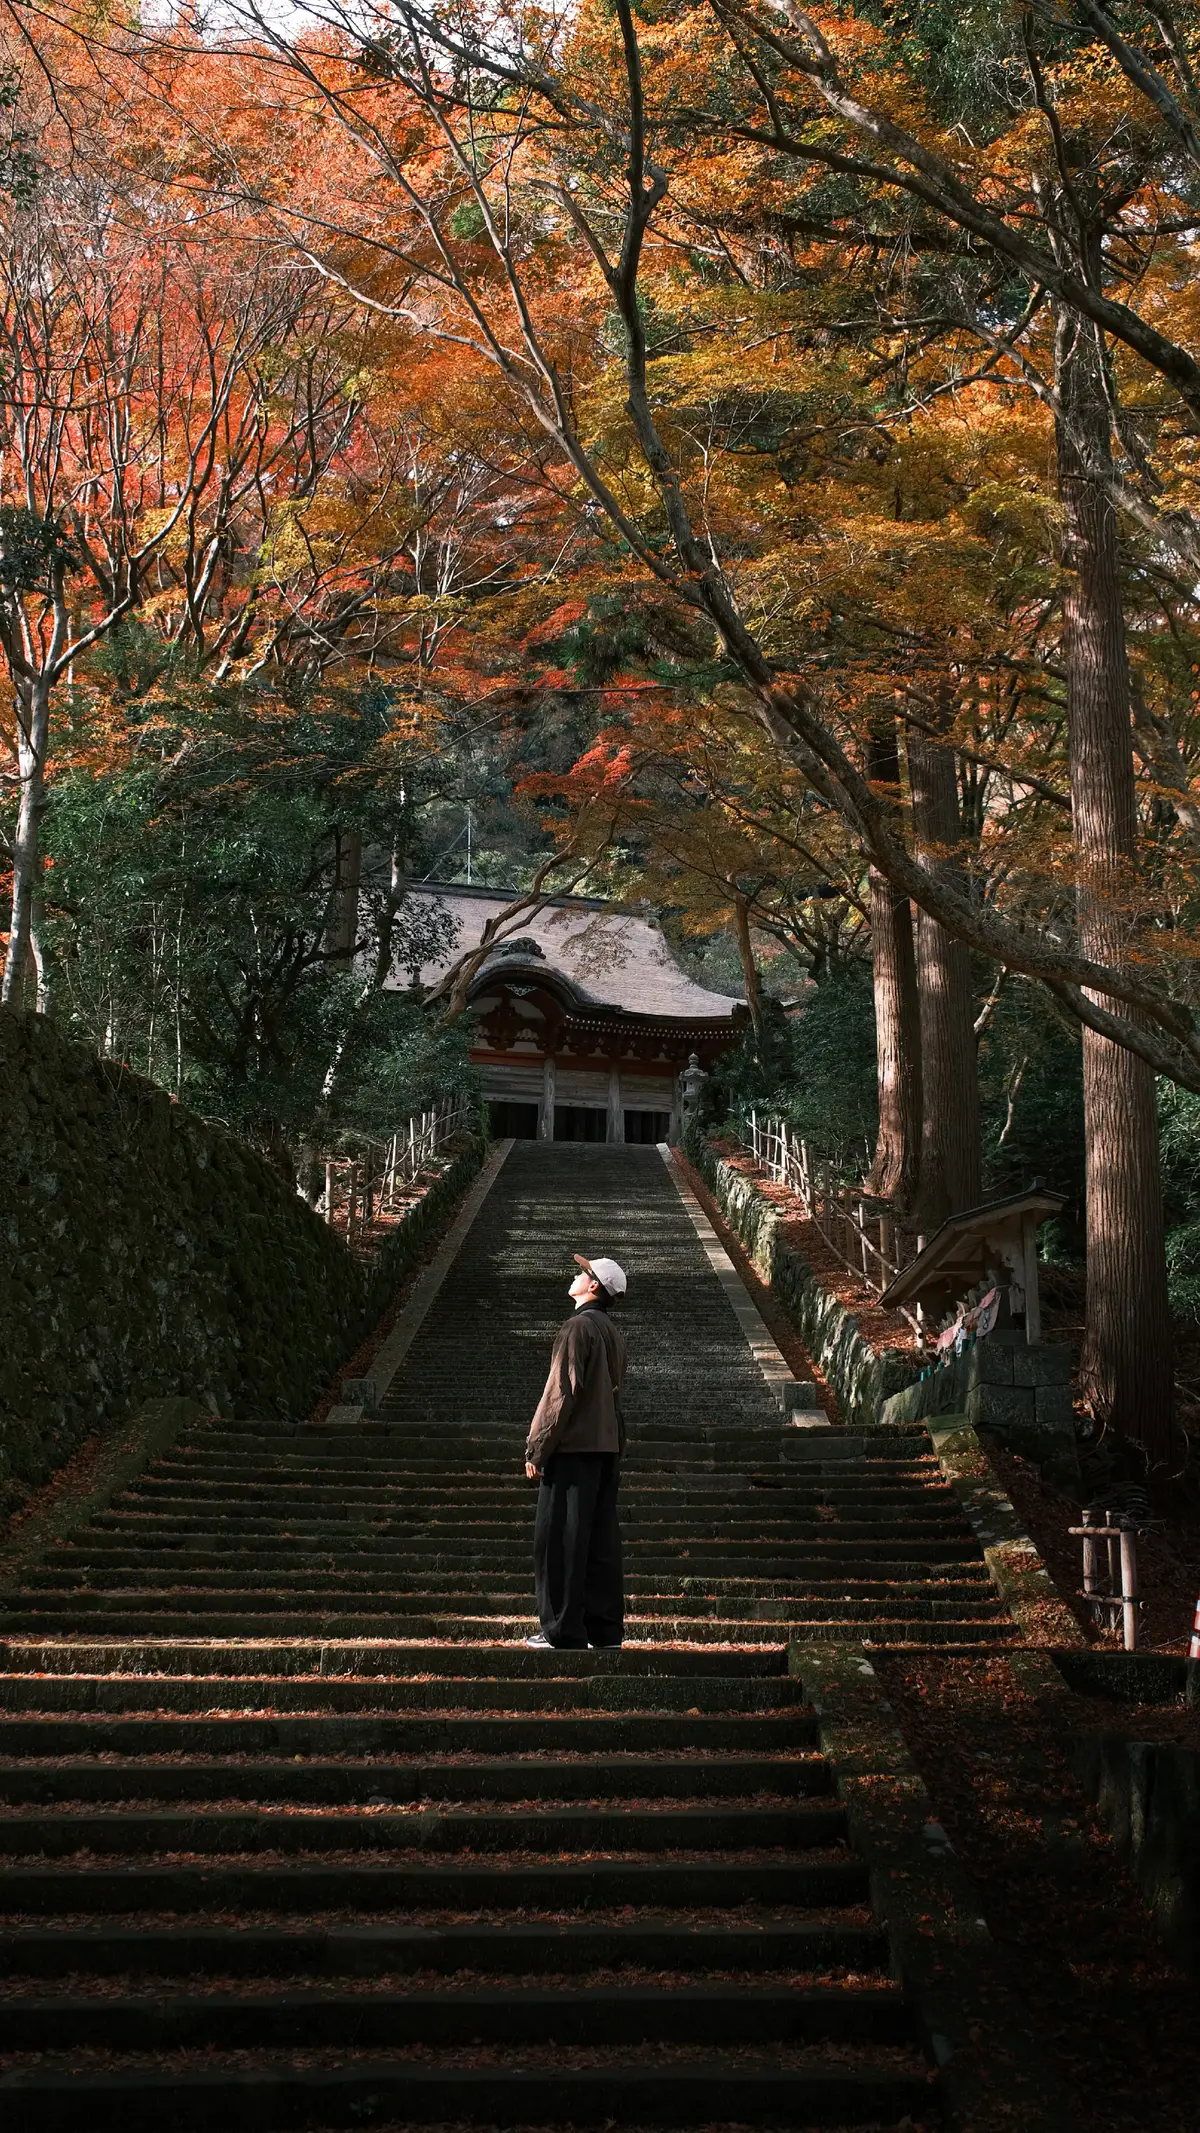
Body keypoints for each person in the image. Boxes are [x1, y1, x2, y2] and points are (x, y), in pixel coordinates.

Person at [524, 1253, 628, 1651]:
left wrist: (537, 1449)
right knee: (601, 1542)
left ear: (594, 1286)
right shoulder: (613, 1334)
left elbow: (561, 1394)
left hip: (574, 1449)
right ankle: (604, 1632)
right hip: (606, 1449)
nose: (575, 1275)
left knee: (560, 1540)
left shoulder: (577, 1328)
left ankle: (562, 1631)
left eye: (582, 1273)